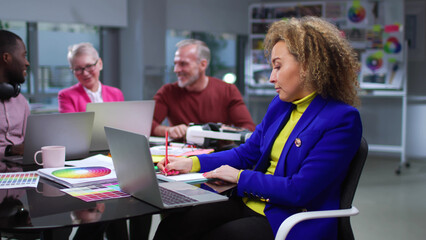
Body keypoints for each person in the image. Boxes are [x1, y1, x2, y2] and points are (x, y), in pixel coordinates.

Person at [154, 16, 362, 240]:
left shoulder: (341, 119)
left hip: (287, 217)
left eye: (278, 67)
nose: (272, 77)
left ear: (309, 65)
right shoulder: (281, 105)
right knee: (174, 225)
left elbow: (299, 191)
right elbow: (247, 152)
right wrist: (191, 163)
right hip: (250, 201)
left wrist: (240, 177)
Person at [152, 39, 255, 139]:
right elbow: (147, 125)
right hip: (180, 154)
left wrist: (220, 133)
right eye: (175, 64)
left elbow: (248, 129)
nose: (176, 70)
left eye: (183, 64)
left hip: (216, 154)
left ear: (202, 65)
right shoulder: (168, 92)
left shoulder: (228, 91)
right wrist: (168, 130)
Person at [58, 42, 124, 113]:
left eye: (89, 66)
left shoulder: (116, 94)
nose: (85, 73)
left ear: (100, 64)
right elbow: (69, 124)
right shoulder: (67, 96)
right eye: (78, 69)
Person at [0, 30, 30, 159]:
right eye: (23, 56)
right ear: (7, 58)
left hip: (20, 169)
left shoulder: (20, 100)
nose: (27, 62)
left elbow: (29, 140)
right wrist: (9, 150)